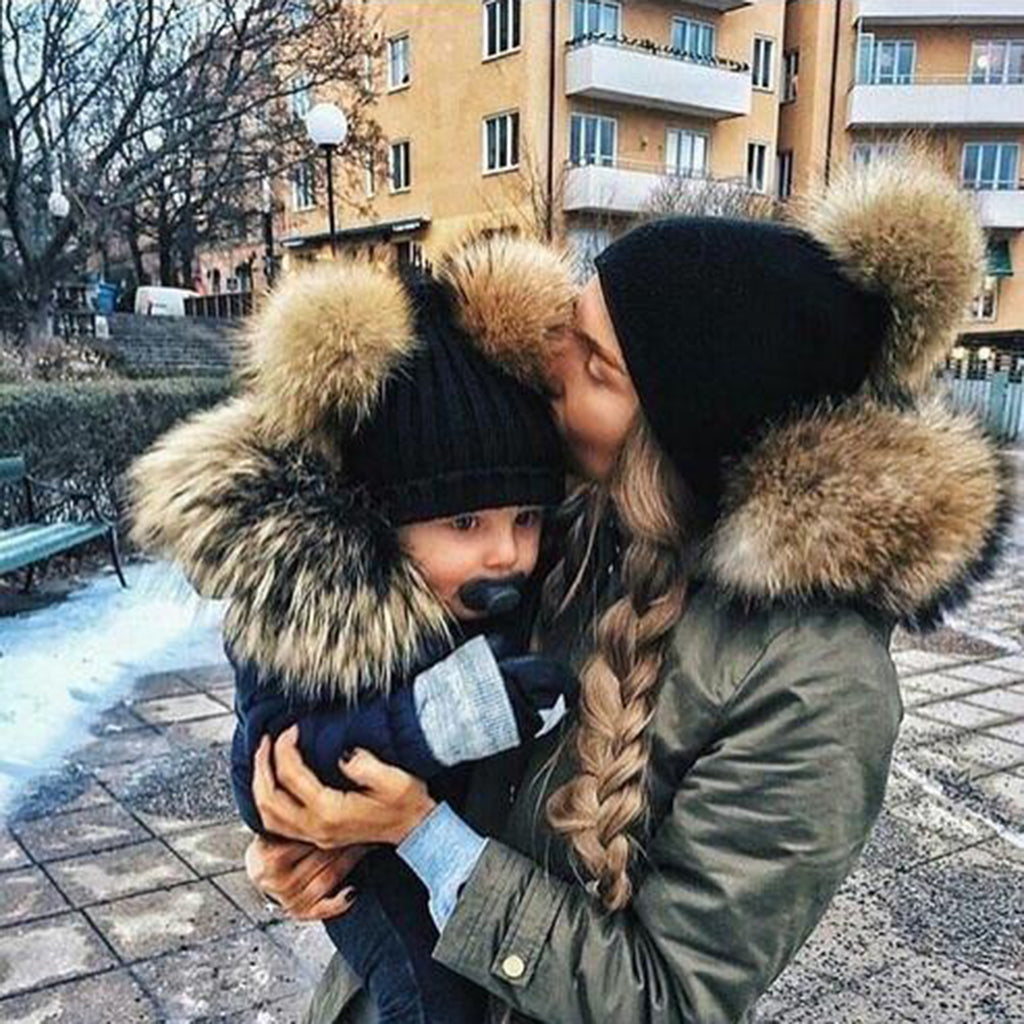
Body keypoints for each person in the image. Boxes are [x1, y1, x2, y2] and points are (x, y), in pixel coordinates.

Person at [245, 155, 1013, 1024]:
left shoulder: (818, 686)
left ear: (672, 437)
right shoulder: (554, 520)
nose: (549, 362)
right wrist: (306, 836)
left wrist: (420, 835)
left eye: (595, 364)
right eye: (571, 327)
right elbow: (373, 689)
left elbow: (672, 1000)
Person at [128, 265, 581, 1023]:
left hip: (471, 871)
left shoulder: (491, 588)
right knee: (426, 999)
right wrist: (436, 721)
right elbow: (265, 763)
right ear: (386, 523)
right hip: (370, 878)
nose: (508, 554)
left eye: (527, 518)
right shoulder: (320, 610)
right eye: (465, 524)